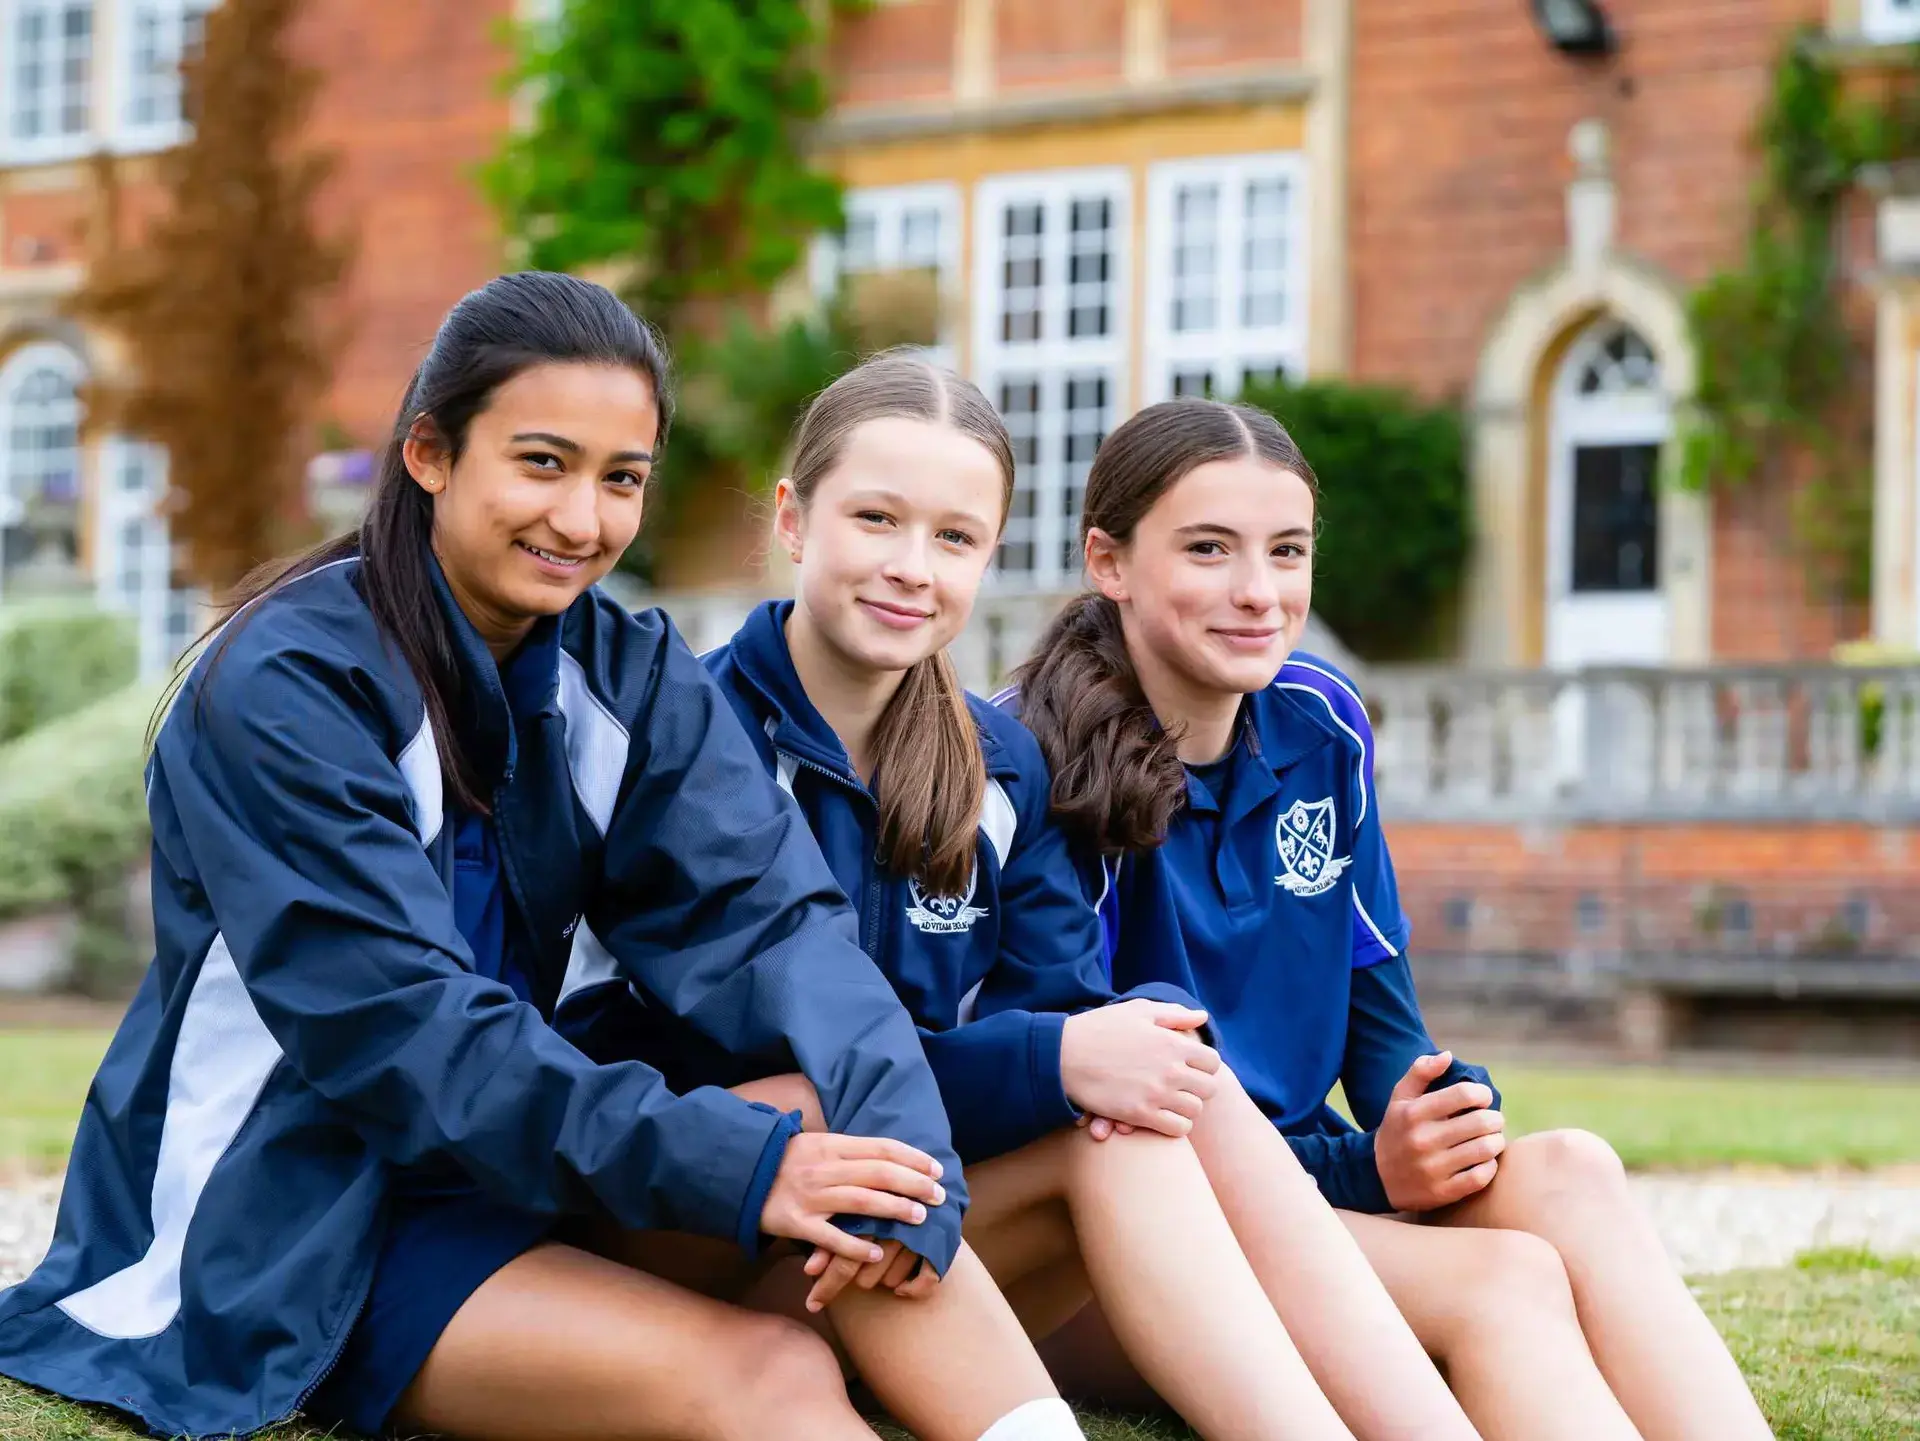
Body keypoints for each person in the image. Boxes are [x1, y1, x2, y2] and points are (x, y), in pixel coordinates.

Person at [0, 274, 1086, 1441]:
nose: (582, 521)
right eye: (541, 463)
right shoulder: (284, 684)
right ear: (429, 451)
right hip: (302, 1214)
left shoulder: (627, 672)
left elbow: (775, 928)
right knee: (767, 1372)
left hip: (524, 1175)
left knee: (862, 1139)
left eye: (620, 479)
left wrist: (912, 1151)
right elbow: (408, 1034)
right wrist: (745, 1166)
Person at [690, 351, 1486, 1441]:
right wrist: (1051, 1061)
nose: (912, 567)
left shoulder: (998, 765)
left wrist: (1071, 1055)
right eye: (877, 519)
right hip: (723, 1224)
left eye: (954, 537)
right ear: (793, 518)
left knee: (1157, 1078)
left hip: (917, 1218)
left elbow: (1056, 1022)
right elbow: (720, 1059)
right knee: (1052, 1082)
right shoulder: (688, 739)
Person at [1008, 396, 1774, 1441]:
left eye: (1286, 551)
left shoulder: (1319, 721)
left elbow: (1384, 1036)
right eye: (1208, 549)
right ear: (1111, 561)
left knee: (1574, 1167)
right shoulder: (1032, 763)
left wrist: (1438, 1116)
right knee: (1503, 1282)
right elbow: (1117, 1123)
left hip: (1302, 1201)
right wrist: (1372, 1169)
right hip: (1121, 1249)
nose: (1258, 593)